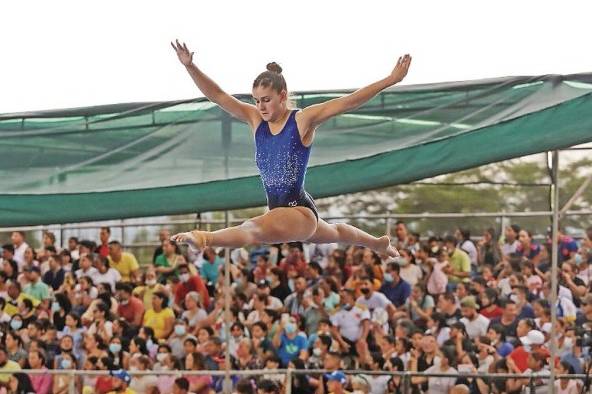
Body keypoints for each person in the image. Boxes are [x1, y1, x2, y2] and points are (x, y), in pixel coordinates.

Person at [170, 40, 410, 257]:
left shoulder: (301, 121)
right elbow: (219, 96)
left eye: (266, 99)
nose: (260, 106)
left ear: (282, 96)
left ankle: (205, 237)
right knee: (336, 233)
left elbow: (348, 102)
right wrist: (191, 67)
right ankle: (377, 243)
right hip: (284, 212)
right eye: (256, 100)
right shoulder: (256, 121)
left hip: (298, 211)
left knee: (252, 229)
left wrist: (391, 79)